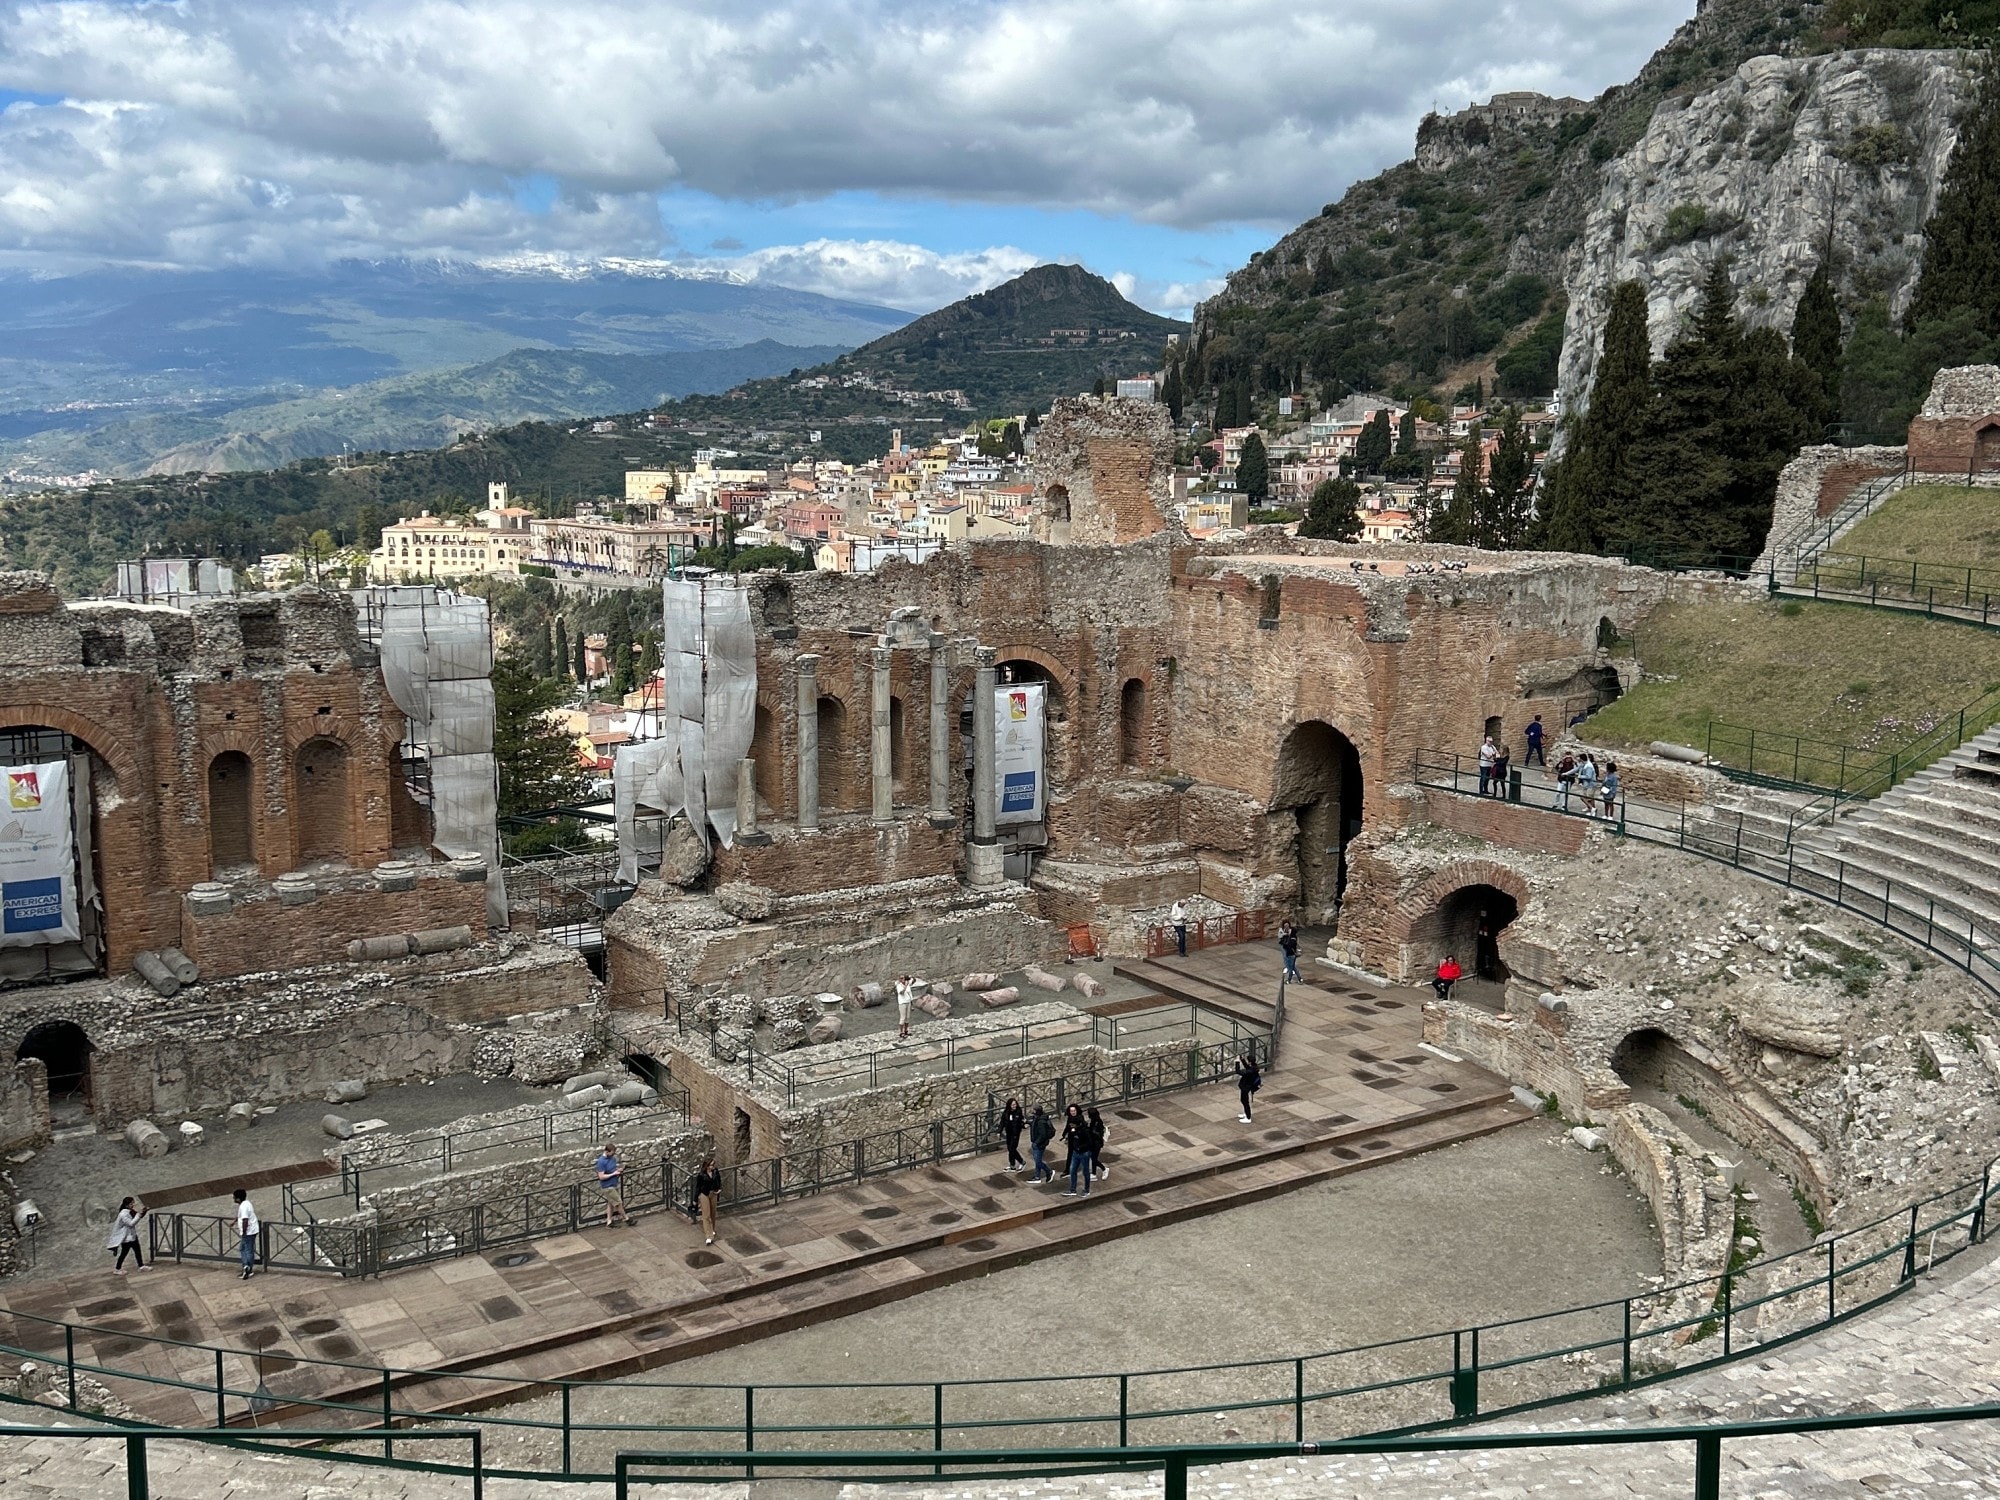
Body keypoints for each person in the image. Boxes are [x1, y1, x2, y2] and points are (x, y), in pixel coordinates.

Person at [106, 1196, 149, 1276]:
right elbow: (131, 1223)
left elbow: (137, 1216)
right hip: (127, 1238)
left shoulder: (129, 1211)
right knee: (124, 1253)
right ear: (127, 1205)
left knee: (137, 1251)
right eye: (131, 1203)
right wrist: (139, 1215)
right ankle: (117, 1269)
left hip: (132, 1236)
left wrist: (143, 1212)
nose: (133, 1205)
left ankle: (141, 1266)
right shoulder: (123, 1214)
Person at [595, 1142, 630, 1228]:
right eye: (612, 1153)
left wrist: (618, 1170)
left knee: (611, 1203)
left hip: (613, 1184)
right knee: (618, 1202)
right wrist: (613, 1174)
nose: (613, 1155)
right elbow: (601, 1176)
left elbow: (612, 1169)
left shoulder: (612, 1158)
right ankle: (626, 1218)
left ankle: (609, 1221)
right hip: (607, 1186)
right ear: (607, 1151)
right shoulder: (601, 1162)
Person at [1061, 1103, 1091, 1197]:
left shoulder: (1084, 1130)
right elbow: (1068, 1129)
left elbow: (1088, 1142)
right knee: (1072, 1170)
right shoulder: (1072, 1128)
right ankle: (1073, 1189)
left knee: (1085, 1172)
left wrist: (1080, 1147)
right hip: (1075, 1152)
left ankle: (1087, 1190)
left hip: (1083, 1153)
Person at [693, 1154, 723, 1245]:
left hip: (713, 1193)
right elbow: (698, 1187)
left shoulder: (715, 1172)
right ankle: (708, 1235)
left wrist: (719, 1189)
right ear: (706, 1165)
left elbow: (719, 1181)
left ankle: (712, 1229)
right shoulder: (701, 1175)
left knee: (713, 1213)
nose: (712, 1167)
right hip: (704, 1194)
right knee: (706, 1215)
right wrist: (695, 1199)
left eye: (713, 1165)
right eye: (710, 1165)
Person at [231, 1189, 259, 1280]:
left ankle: (247, 1267)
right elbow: (241, 1215)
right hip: (252, 1230)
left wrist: (244, 1232)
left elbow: (245, 1220)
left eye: (234, 1197)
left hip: (248, 1232)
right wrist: (235, 1220)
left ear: (238, 1199)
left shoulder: (243, 1207)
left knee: (245, 1249)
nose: (233, 1198)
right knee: (247, 1249)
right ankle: (248, 1267)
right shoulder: (246, 1203)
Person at [1028, 1105, 1055, 1184]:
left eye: (1033, 1110)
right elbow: (1034, 1124)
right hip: (1039, 1143)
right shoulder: (1039, 1118)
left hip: (1039, 1144)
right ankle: (1037, 1176)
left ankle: (1049, 1171)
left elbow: (1043, 1135)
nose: (1031, 1111)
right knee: (1038, 1160)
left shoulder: (1041, 1121)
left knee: (1038, 1161)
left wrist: (1036, 1143)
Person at [1000, 1097, 1027, 1171]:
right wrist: (999, 1131)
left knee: (1012, 1149)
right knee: (1010, 1149)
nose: (1014, 1106)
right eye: (1012, 1105)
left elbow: (1021, 1122)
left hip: (1015, 1133)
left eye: (1015, 1104)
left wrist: (1023, 1125)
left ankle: (1019, 1162)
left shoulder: (1018, 1112)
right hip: (1009, 1133)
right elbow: (1002, 1122)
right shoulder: (1006, 1112)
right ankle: (1013, 1165)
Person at [1236, 1052, 1262, 1124]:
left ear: (1250, 1062)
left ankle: (1248, 1117)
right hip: (1247, 1086)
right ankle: (1246, 1113)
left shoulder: (1250, 1071)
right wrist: (1242, 1060)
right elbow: (1247, 1066)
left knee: (1245, 1101)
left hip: (1246, 1087)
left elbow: (1238, 1071)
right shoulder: (1253, 1067)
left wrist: (1237, 1062)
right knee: (1244, 1100)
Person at [1086, 1106, 1109, 1181]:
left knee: (1094, 1158)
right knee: (1093, 1158)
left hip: (1096, 1144)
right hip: (1092, 1143)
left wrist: (1089, 1130)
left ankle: (1104, 1169)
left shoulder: (1096, 1122)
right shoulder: (1093, 1121)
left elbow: (1096, 1133)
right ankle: (1093, 1174)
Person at [1475, 913, 1499, 981]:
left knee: (1487, 955)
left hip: (1488, 946)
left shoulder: (1489, 931)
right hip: (1484, 945)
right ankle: (1484, 968)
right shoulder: (1483, 931)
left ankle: (1487, 968)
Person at [895, 974, 914, 1040]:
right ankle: (901, 1032)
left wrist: (910, 977)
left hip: (908, 1002)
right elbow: (901, 993)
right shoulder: (899, 986)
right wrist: (905, 986)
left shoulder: (908, 984)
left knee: (907, 1017)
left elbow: (914, 980)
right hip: (902, 1003)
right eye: (901, 978)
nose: (903, 980)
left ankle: (906, 1030)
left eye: (904, 978)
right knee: (902, 1017)